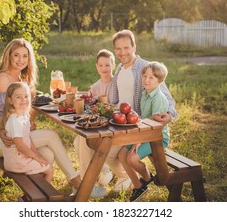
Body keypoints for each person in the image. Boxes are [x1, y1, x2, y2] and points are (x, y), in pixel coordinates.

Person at [0, 38, 106, 198]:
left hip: (16, 134)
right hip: (0, 139)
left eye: (25, 56)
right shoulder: (3, 78)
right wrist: (1, 131)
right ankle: (78, 184)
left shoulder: (21, 79)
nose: (21, 60)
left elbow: (27, 107)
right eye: (16, 55)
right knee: (51, 136)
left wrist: (28, 124)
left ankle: (33, 197)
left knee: (47, 155)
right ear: (9, 56)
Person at [106, 29, 178, 192]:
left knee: (107, 152)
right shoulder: (119, 69)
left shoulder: (145, 69)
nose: (122, 52)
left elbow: (167, 100)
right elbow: (115, 100)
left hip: (142, 129)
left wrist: (170, 115)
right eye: (118, 48)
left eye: (126, 48)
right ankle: (139, 183)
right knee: (97, 147)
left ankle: (135, 179)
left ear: (134, 47)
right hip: (126, 125)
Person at [118, 62, 170, 201]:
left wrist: (139, 141)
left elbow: (156, 127)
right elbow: (145, 119)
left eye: (151, 77)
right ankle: (139, 185)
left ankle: (146, 178)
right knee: (122, 154)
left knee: (132, 158)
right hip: (144, 133)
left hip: (157, 138)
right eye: (144, 76)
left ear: (160, 80)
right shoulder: (145, 94)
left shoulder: (158, 98)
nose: (146, 80)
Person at [74, 49, 115, 186]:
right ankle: (101, 171)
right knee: (77, 141)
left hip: (112, 126)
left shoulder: (116, 84)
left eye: (107, 65)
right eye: (101, 65)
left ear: (113, 66)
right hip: (99, 125)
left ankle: (87, 182)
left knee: (82, 141)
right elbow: (91, 109)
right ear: (96, 66)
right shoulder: (95, 87)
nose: (104, 68)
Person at [2, 82, 53, 182]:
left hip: (21, 158)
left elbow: (28, 139)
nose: (23, 100)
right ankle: (44, 196)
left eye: (26, 96)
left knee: (44, 162)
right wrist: (36, 157)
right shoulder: (14, 120)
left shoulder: (24, 115)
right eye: (18, 97)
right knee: (49, 170)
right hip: (17, 162)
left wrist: (37, 154)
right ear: (10, 100)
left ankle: (33, 195)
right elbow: (20, 146)